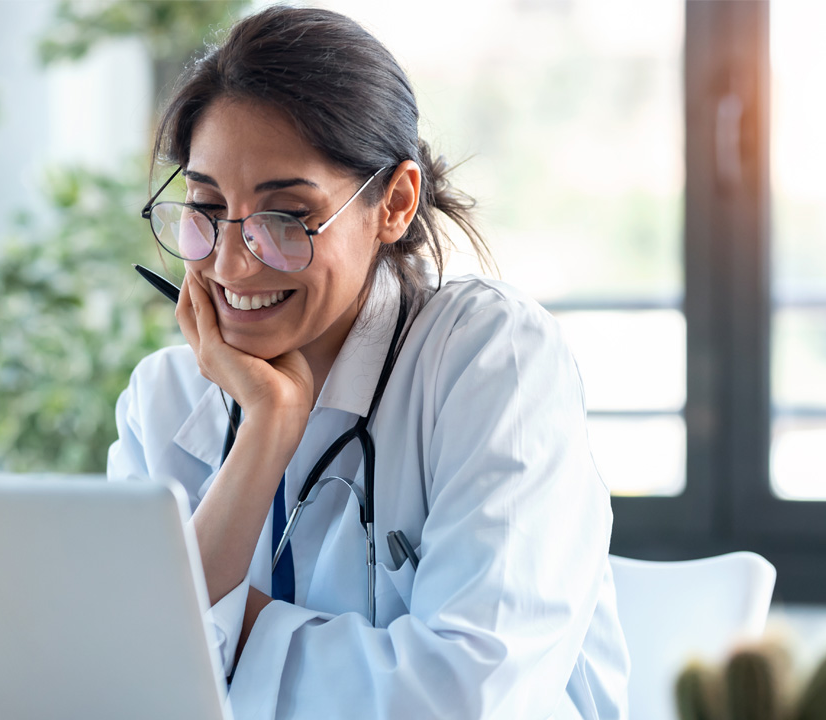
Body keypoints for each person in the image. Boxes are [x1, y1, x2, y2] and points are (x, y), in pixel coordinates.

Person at [107, 6, 630, 718]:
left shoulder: (489, 360)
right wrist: (267, 428)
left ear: (395, 203)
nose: (230, 263)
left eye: (285, 217)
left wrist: (228, 633)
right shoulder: (163, 402)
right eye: (205, 207)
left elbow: (466, 700)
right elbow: (124, 685)